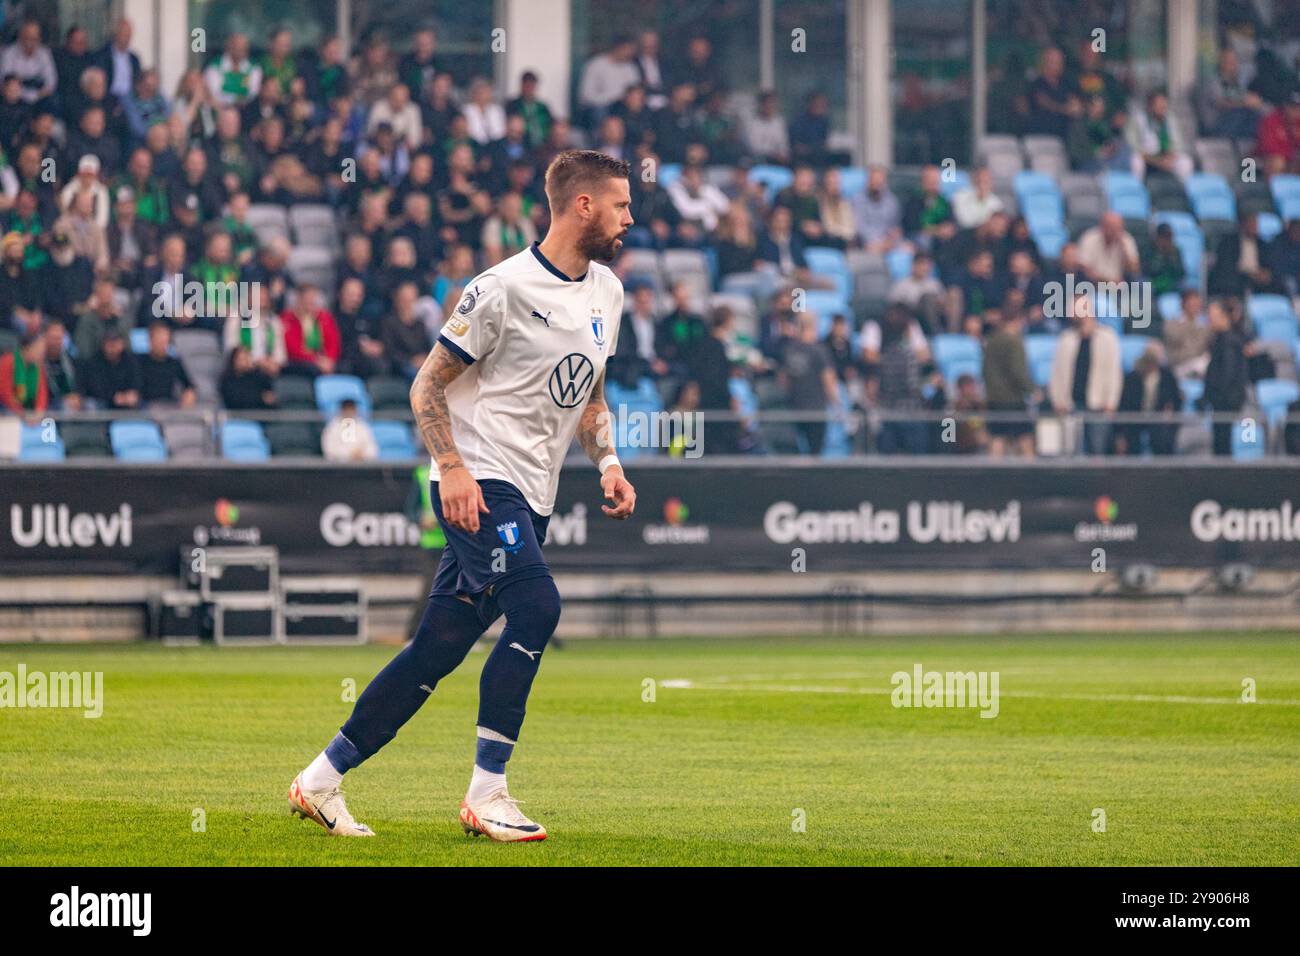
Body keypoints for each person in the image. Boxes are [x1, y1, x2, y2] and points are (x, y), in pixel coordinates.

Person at [288, 150, 637, 843]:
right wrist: (450, 466)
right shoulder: (499, 288)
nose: (632, 217)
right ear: (584, 206)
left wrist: (610, 465)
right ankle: (489, 793)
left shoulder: (608, 293)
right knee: (537, 607)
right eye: (622, 205)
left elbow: (590, 397)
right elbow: (427, 384)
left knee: (436, 649)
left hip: (533, 492)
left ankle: (320, 780)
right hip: (480, 482)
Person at [1049, 294, 1123, 455]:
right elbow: (1057, 372)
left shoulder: (1108, 338)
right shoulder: (1066, 339)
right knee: (1070, 451)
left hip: (1098, 405)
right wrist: (1057, 399)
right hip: (1071, 404)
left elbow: (1114, 373)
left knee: (1097, 450)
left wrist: (1111, 402)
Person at [1116, 343, 1182, 456]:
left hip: (1158, 419)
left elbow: (1176, 400)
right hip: (1135, 418)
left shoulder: (1168, 377)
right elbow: (1124, 403)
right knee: (1130, 441)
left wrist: (1170, 411)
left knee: (1162, 438)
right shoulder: (1132, 377)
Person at [1203, 297, 1249, 456]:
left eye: (1213, 315)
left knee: (1223, 443)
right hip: (1223, 401)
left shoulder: (1228, 342)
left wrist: (1213, 395)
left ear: (1224, 316)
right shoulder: (1223, 340)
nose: (1209, 319)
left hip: (1225, 402)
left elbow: (1227, 375)